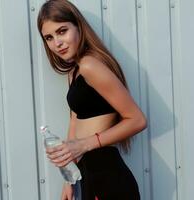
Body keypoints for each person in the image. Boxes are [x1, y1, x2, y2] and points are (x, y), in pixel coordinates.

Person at [37, 0, 147, 199]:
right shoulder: (75, 71)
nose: (57, 43)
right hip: (90, 174)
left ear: (78, 26)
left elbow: (137, 120)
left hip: (107, 175)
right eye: (49, 37)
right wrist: (68, 178)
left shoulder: (90, 66)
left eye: (62, 31)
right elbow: (75, 121)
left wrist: (84, 144)